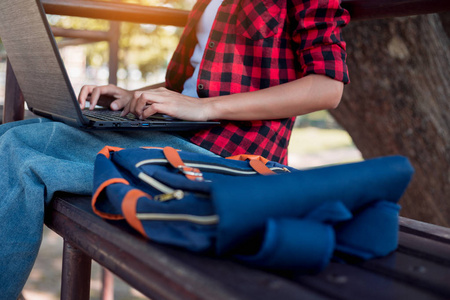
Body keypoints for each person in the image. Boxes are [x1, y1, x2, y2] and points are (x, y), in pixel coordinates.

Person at [0, 0, 349, 298]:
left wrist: (207, 108)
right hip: (177, 135)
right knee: (13, 135)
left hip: (226, 158)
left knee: (20, 149)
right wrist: (132, 96)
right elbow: (190, 88)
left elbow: (327, 87)